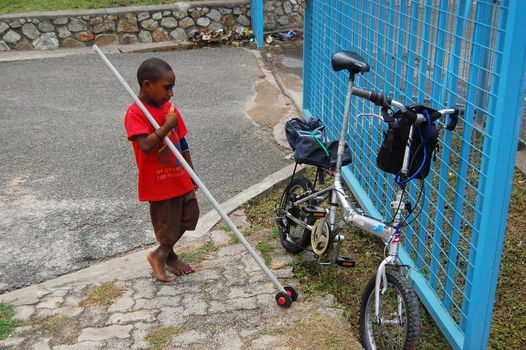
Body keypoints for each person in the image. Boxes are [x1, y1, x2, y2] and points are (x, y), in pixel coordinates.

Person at [124, 58, 199, 282]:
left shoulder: (170, 109)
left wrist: (191, 172)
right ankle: (163, 256)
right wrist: (167, 125)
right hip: (159, 181)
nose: (171, 93)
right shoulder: (135, 113)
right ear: (148, 85)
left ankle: (164, 253)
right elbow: (146, 146)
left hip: (180, 175)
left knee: (190, 216)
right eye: (167, 87)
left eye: (172, 87)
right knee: (167, 223)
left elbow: (182, 143)